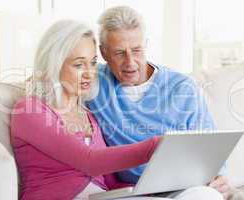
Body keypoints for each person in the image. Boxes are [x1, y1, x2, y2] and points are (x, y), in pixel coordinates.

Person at [10, 19, 223, 200]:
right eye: (78, 65)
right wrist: (158, 145)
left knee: (205, 195)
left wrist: (147, 191)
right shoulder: (30, 112)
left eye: (93, 63)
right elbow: (90, 161)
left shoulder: (88, 114)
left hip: (100, 196)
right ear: (53, 64)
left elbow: (108, 178)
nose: (89, 73)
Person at [86, 6, 230, 200]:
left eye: (136, 50)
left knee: (207, 196)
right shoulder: (92, 83)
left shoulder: (182, 88)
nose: (130, 62)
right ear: (103, 53)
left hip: (183, 187)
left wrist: (218, 175)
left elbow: (210, 147)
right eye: (119, 53)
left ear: (145, 45)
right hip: (132, 192)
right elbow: (51, 80)